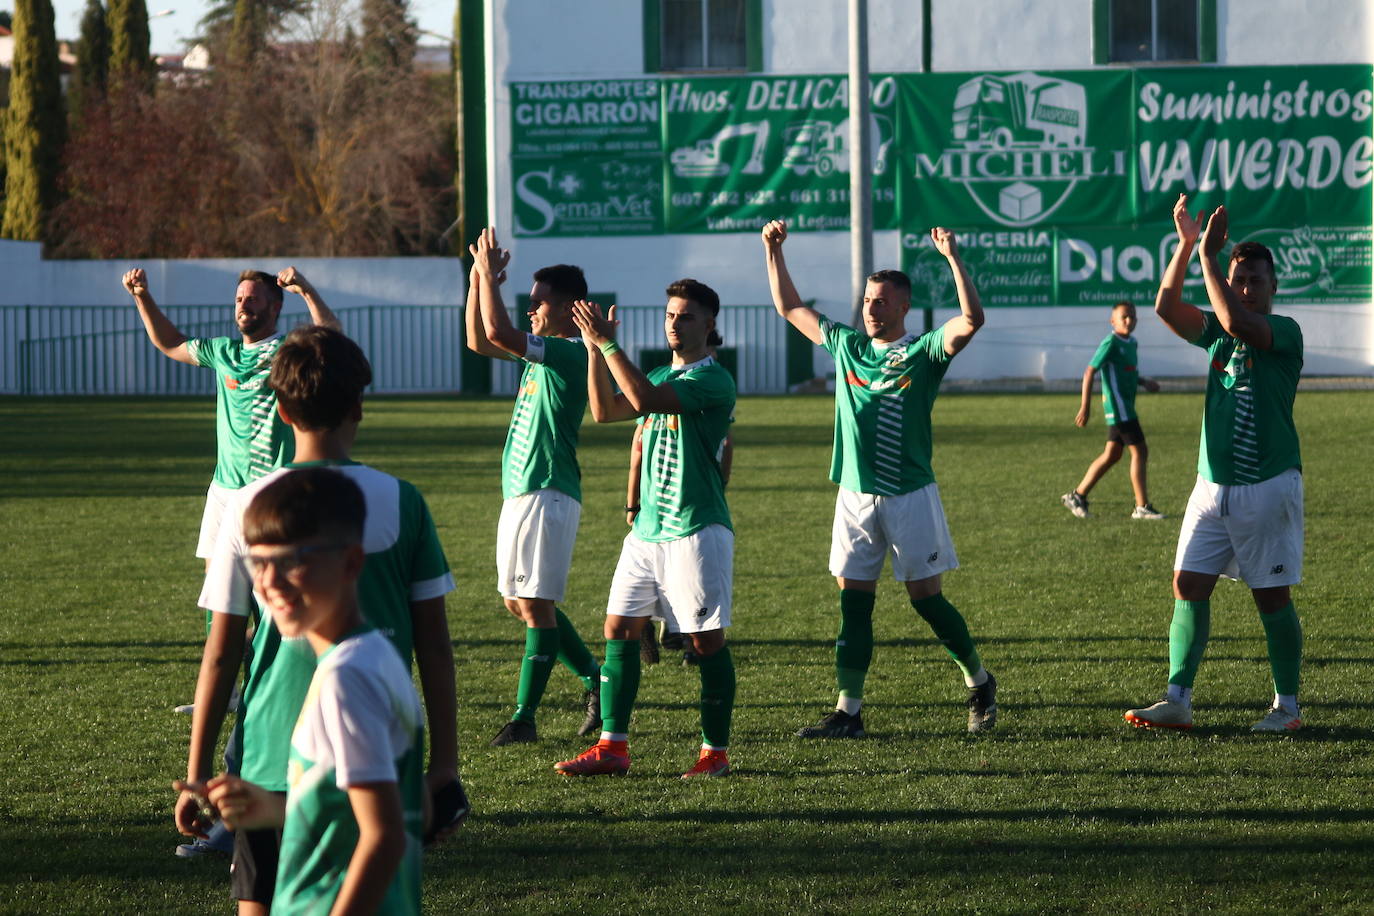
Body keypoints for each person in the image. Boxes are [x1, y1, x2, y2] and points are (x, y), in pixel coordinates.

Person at [177, 326, 462, 915]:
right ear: (359, 405)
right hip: (378, 743)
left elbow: (222, 649)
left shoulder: (250, 506)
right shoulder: (403, 500)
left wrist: (197, 769)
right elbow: (435, 645)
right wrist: (444, 764)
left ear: (281, 411)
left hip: (269, 749)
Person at [761, 219, 998, 738]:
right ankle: (849, 711)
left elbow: (972, 319)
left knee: (927, 600)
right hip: (854, 496)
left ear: (904, 307)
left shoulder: (924, 351)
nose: (871, 308)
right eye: (868, 300)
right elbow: (789, 307)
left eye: (882, 302)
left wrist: (953, 259)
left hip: (909, 496)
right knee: (853, 603)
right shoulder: (847, 345)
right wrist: (773, 251)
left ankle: (979, 681)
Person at [181, 468, 427, 915]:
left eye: (294, 561)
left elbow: (384, 835)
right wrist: (271, 810)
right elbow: (400, 810)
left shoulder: (348, 678)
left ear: (351, 563)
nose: (270, 581)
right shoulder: (371, 655)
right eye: (259, 563)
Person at [123, 266, 340, 719]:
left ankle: (278, 685)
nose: (243, 305)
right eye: (240, 298)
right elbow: (170, 343)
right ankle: (223, 693)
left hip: (271, 493)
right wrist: (142, 296)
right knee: (218, 595)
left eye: (253, 298)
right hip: (224, 493)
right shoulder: (223, 352)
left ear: (274, 307)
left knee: (273, 599)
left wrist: (305, 289)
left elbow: (332, 336)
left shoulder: (287, 352)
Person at [1125, 194, 1306, 733]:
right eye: (1239, 279)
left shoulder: (1285, 332)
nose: (1247, 288)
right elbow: (1165, 307)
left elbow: (1235, 319)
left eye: (1255, 280)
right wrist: (1186, 246)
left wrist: (1209, 254)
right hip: (1211, 486)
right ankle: (1177, 699)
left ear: (1273, 287)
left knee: (1270, 596)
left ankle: (1287, 708)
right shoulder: (1216, 334)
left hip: (1267, 484)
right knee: (1187, 584)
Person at [555, 280, 737, 779]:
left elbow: (643, 397)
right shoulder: (657, 372)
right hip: (647, 532)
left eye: (686, 316)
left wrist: (608, 343)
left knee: (706, 643)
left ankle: (714, 755)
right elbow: (604, 411)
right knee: (618, 629)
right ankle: (612, 748)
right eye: (670, 315)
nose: (675, 323)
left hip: (696, 528)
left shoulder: (714, 379)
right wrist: (594, 350)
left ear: (709, 325)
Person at [465, 228, 604, 746]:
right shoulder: (545, 353)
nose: (531, 309)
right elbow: (478, 340)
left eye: (539, 302)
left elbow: (498, 331)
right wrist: (478, 279)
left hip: (548, 489)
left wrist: (487, 277)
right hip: (524, 491)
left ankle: (524, 719)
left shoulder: (569, 352)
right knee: (519, 602)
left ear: (569, 308)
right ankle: (596, 679)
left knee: (536, 605)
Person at [1061, 301, 1166, 520]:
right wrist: (1085, 406)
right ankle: (1142, 506)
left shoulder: (1132, 343)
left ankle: (1077, 496)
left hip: (1125, 406)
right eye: (1124, 317)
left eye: (1132, 316)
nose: (1129, 320)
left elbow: (1128, 372)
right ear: (1113, 321)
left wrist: (1144, 382)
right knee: (1140, 451)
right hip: (1119, 408)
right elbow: (1089, 371)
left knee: (1113, 454)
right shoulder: (1110, 342)